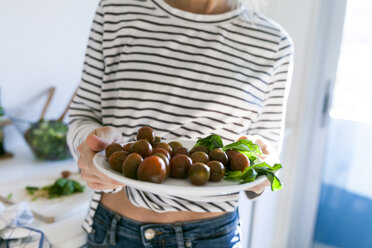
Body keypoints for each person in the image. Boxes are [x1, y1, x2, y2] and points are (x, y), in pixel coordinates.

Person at [67, 0, 293, 247]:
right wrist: (91, 147)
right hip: (114, 231)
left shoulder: (274, 44)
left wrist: (261, 169)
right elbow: (82, 116)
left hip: (213, 237)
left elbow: (268, 151)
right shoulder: (117, 10)